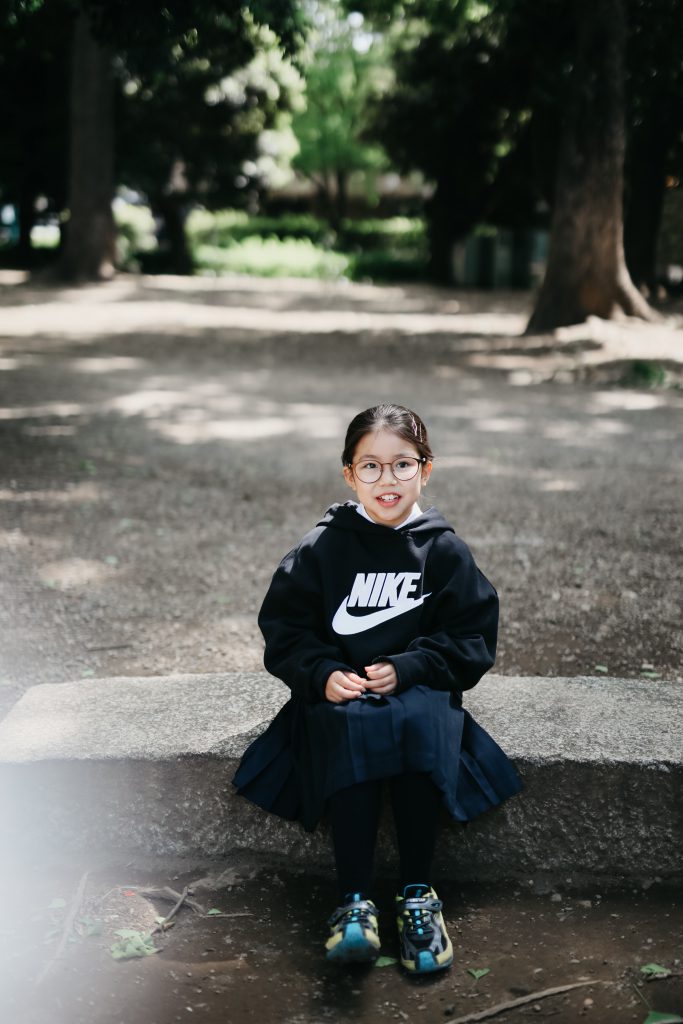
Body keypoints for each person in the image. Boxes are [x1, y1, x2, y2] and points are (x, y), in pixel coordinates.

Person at [233, 403, 523, 974]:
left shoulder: (442, 550)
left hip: (419, 692)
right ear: (349, 475)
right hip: (341, 695)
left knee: (418, 721)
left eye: (402, 464)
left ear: (426, 469)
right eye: (370, 466)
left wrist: (414, 667)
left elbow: (471, 636)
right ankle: (354, 901)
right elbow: (286, 631)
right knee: (352, 724)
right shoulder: (322, 549)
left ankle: (418, 894)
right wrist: (321, 674)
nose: (387, 479)